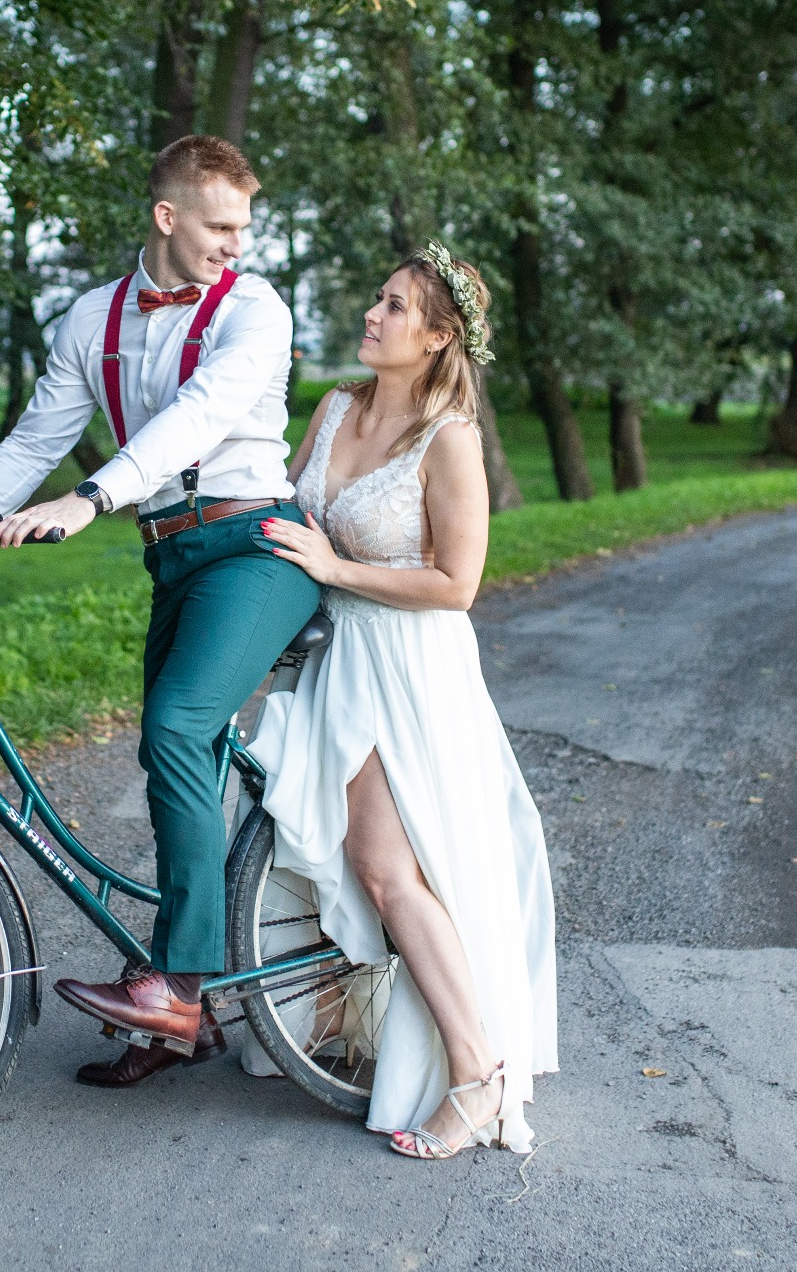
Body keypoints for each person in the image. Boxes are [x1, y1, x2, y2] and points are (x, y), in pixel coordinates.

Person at [0, 135, 320, 1088]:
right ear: (167, 217)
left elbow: (198, 419)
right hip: (175, 556)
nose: (235, 245)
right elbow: (30, 439)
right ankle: (187, 1021)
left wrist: (90, 498)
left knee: (176, 726)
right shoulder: (94, 319)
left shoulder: (254, 308)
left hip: (259, 546)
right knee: (175, 755)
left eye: (244, 227)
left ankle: (179, 982)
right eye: (219, 226)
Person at [251, 243, 558, 1158]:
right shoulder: (337, 406)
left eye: (395, 306)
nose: (374, 314)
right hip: (329, 653)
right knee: (317, 842)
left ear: (437, 336)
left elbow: (457, 582)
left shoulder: (450, 436)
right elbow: (284, 504)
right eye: (377, 298)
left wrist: (336, 567)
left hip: (407, 665)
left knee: (390, 867)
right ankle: (345, 1018)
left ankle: (475, 1072)